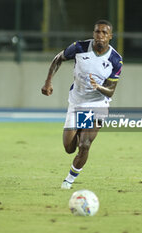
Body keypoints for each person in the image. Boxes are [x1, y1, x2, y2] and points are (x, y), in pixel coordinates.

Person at [41, 20, 123, 189]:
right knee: (69, 148)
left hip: (98, 104)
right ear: (93, 33)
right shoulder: (79, 47)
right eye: (97, 32)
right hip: (77, 102)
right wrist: (48, 82)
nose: (100, 36)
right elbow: (58, 58)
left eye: (104, 33)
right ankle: (80, 129)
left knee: (84, 145)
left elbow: (110, 91)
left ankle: (68, 181)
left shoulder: (115, 60)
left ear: (110, 36)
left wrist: (98, 87)